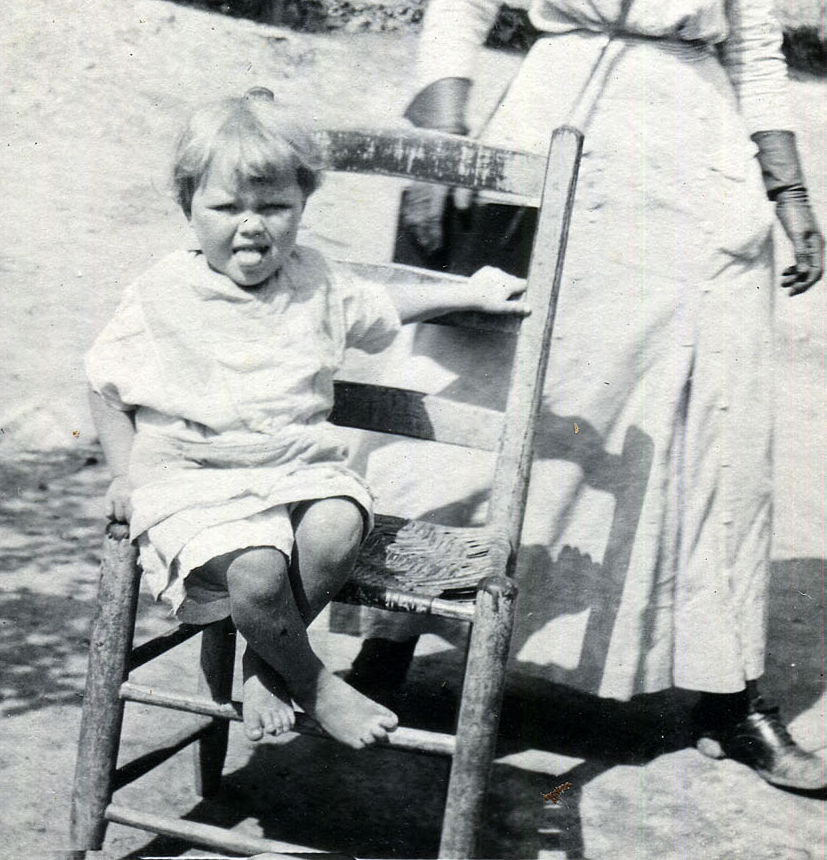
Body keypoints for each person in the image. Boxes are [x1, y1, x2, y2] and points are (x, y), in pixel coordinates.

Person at [351, 0, 827, 795]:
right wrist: (446, 149)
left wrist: (787, 187)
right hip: (559, 121)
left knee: (716, 409)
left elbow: (757, 39)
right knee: (489, 377)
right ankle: (391, 638)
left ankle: (726, 692)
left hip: (697, 150)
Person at [86, 88, 527, 750]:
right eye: (226, 208)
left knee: (339, 521)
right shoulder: (162, 293)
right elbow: (103, 384)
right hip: (194, 482)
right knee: (258, 571)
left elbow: (385, 307)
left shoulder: (316, 281)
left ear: (303, 204)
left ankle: (267, 663)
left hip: (297, 474)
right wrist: (124, 473)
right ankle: (316, 683)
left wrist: (470, 290)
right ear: (188, 205)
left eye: (274, 208)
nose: (251, 226)